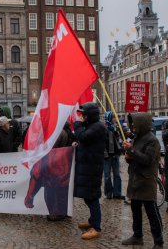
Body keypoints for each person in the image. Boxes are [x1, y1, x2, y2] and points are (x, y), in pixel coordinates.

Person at [122, 113, 163, 249]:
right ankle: (137, 236)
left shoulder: (152, 141)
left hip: (146, 181)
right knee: (135, 209)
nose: (132, 125)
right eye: (131, 122)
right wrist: (128, 155)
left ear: (142, 123)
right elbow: (134, 158)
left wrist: (131, 150)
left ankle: (158, 241)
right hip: (135, 179)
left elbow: (147, 160)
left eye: (134, 122)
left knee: (151, 211)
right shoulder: (137, 138)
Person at [73, 102, 105, 240]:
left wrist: (78, 125)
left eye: (84, 114)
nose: (82, 117)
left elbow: (84, 137)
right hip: (88, 167)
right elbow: (85, 141)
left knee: (92, 198)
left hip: (92, 169)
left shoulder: (97, 127)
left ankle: (96, 228)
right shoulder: (92, 126)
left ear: (90, 115)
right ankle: (92, 221)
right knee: (88, 196)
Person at [103, 111, 124, 200]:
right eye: (113, 117)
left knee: (117, 175)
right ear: (109, 118)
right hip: (107, 156)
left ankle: (117, 193)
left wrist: (117, 132)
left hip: (115, 155)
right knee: (107, 176)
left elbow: (119, 141)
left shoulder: (116, 128)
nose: (115, 119)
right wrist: (105, 154)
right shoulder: (104, 128)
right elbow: (102, 143)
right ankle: (108, 193)